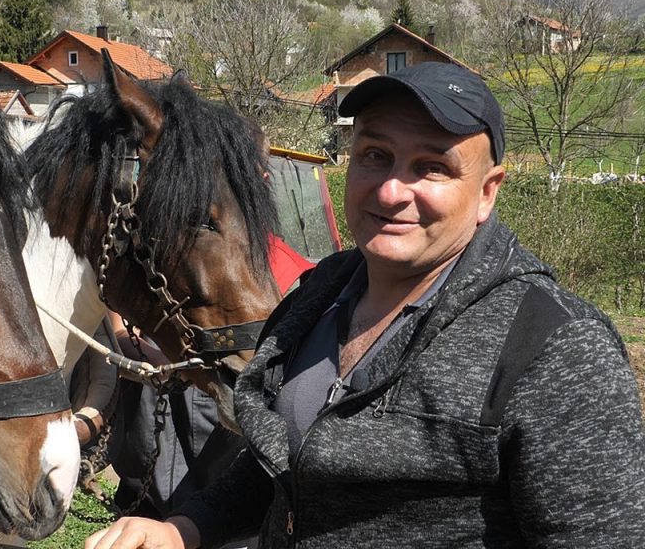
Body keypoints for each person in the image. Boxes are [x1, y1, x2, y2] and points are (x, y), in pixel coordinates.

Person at [86, 62, 645, 548]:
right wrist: (189, 527)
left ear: (487, 192)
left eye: (432, 167)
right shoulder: (316, 299)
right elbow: (283, 463)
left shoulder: (556, 348)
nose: (391, 191)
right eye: (376, 155)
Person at [106, 235, 313, 520]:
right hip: (143, 493)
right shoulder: (147, 254)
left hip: (224, 511)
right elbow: (115, 329)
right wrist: (154, 359)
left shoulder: (285, 270)